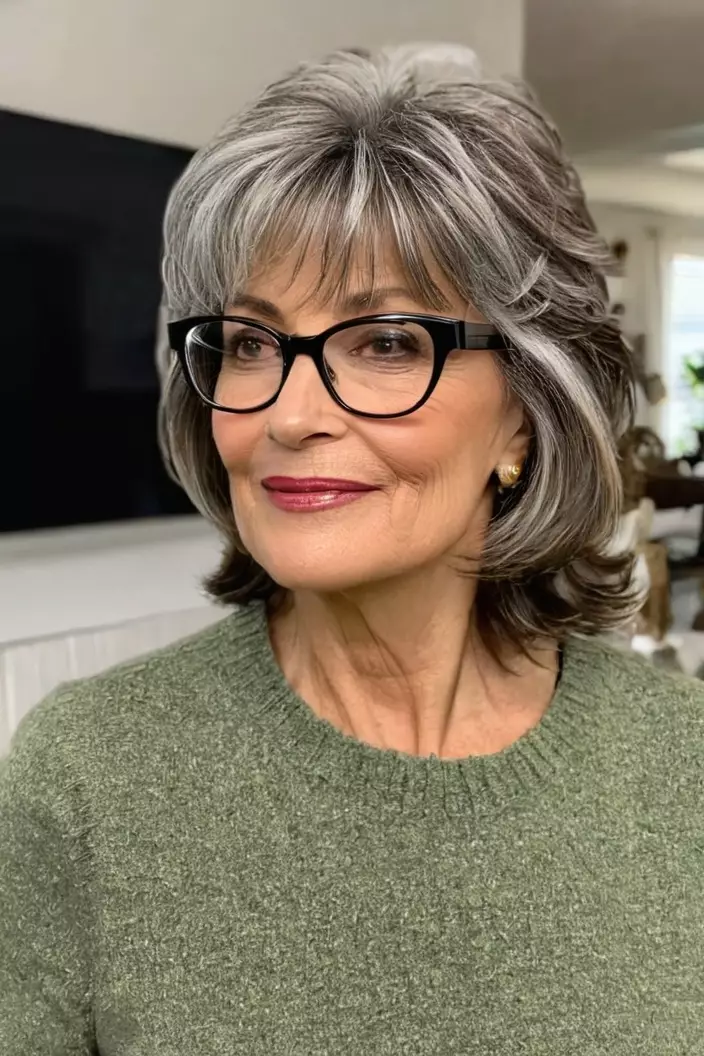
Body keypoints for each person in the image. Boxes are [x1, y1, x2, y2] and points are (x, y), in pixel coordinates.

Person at [1, 42, 703, 1055]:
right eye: (249, 343)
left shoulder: (679, 761)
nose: (287, 412)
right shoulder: (88, 779)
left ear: (525, 414)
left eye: (384, 343)